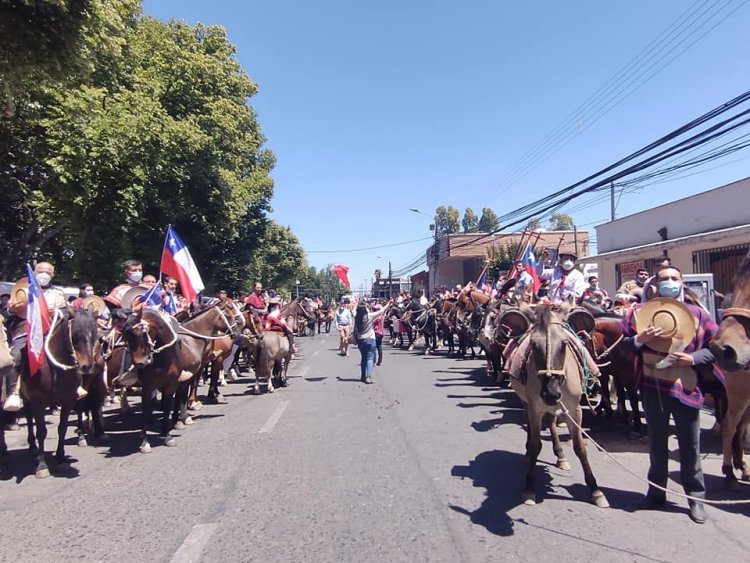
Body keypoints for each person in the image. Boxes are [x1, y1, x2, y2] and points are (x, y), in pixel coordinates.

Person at [619, 265, 718, 524]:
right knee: (657, 444)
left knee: (691, 446)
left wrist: (693, 358)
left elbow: (715, 349)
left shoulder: (698, 314)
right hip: (653, 388)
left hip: (686, 388)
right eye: (665, 279)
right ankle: (656, 494)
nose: (670, 282)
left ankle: (696, 498)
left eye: (674, 278)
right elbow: (626, 345)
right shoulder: (639, 313)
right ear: (655, 284)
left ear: (682, 283)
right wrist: (640, 339)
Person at [353, 300, 391, 384]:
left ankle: (363, 376)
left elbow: (353, 311)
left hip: (360, 340)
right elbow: (382, 311)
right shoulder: (369, 316)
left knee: (363, 358)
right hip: (370, 340)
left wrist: (356, 303)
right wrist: (389, 303)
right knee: (369, 358)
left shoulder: (356, 317)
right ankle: (368, 377)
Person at [373, 302, 385, 366]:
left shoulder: (378, 317)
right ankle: (379, 361)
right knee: (379, 346)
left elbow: (373, 322)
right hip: (381, 333)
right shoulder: (382, 316)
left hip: (376, 332)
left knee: (374, 347)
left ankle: (374, 361)